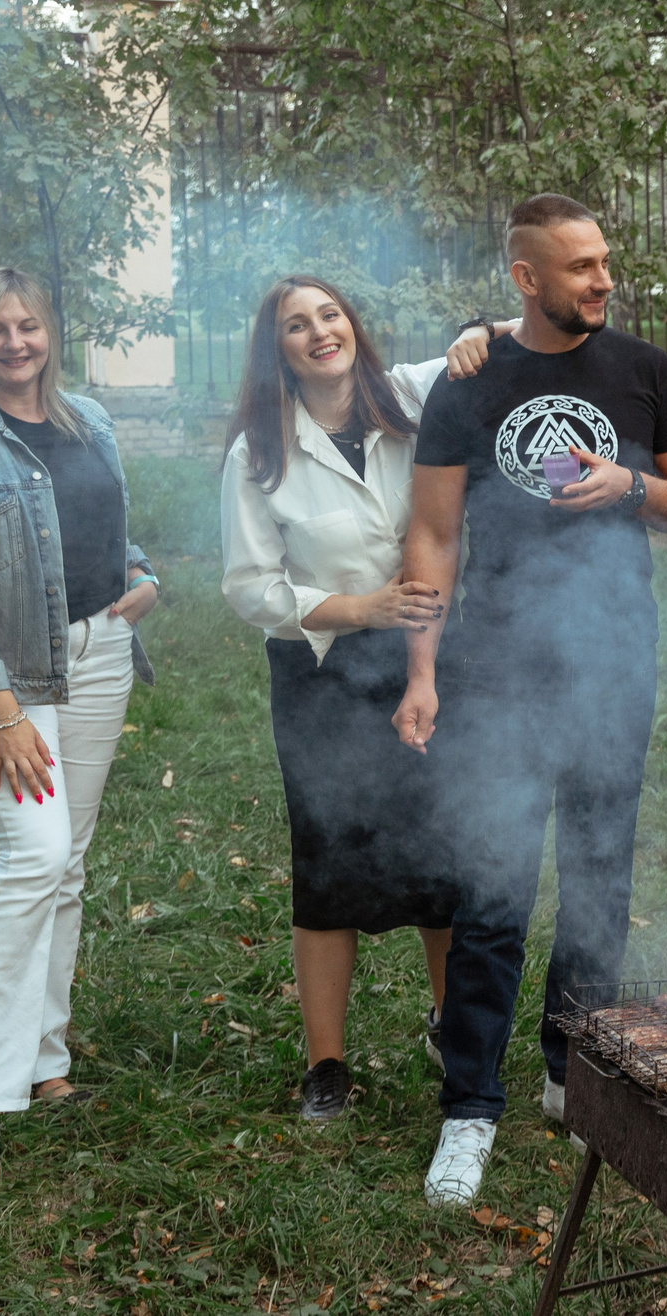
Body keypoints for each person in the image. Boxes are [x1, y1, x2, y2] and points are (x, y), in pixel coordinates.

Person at [394, 193, 667, 1209]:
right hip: (494, 669)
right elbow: (433, 534)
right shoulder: (472, 377)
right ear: (525, 278)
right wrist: (420, 669)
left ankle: (570, 1070)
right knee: (491, 893)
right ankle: (469, 1108)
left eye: (605, 261)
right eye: (579, 266)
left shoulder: (644, 369)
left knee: (597, 883)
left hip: (612, 664)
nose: (604, 278)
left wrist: (628, 484)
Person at [0, 268, 162, 1182]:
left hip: (98, 656)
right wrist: (1, 708)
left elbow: (98, 524)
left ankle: (44, 1056)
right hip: (6, 682)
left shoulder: (90, 418)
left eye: (30, 326)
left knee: (70, 860)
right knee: (36, 855)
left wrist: (140, 576)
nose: (16, 343)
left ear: (52, 333)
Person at [220, 278, 502, 1123]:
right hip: (324, 671)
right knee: (328, 863)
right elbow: (248, 586)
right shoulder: (258, 453)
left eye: (330, 315)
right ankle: (327, 1066)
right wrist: (360, 610)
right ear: (278, 350)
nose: (319, 333)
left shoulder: (413, 395)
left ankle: (453, 1027)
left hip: (434, 653)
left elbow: (516, 332)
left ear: (353, 326)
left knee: (444, 852)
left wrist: (476, 332)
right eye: (297, 326)